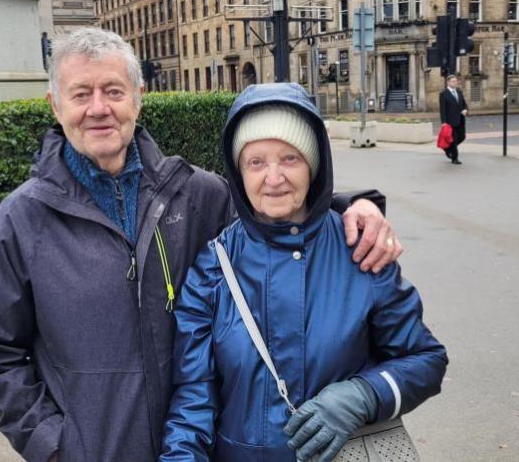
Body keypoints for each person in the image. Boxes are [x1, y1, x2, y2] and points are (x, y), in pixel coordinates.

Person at [0, 27, 404, 462]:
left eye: (113, 91)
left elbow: (277, 209)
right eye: (81, 94)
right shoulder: (23, 219)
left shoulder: (197, 194)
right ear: (55, 105)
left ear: (138, 96)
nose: (99, 108)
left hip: (198, 448)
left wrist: (353, 206)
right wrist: (52, 444)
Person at [161, 83, 448, 461]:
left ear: (314, 164)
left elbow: (426, 359)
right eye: (256, 162)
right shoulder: (214, 267)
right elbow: (193, 396)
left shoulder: (360, 252)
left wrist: (364, 394)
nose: (274, 177)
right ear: (238, 172)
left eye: (290, 158)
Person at [439, 74, 468, 165]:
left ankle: (447, 149)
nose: (455, 83)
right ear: (448, 82)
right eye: (453, 81)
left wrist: (465, 110)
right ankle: (454, 158)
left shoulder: (459, 91)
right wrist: (444, 122)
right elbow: (442, 109)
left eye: (456, 81)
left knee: (462, 137)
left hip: (461, 119)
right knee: (454, 139)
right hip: (450, 121)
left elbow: (464, 104)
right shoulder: (443, 94)